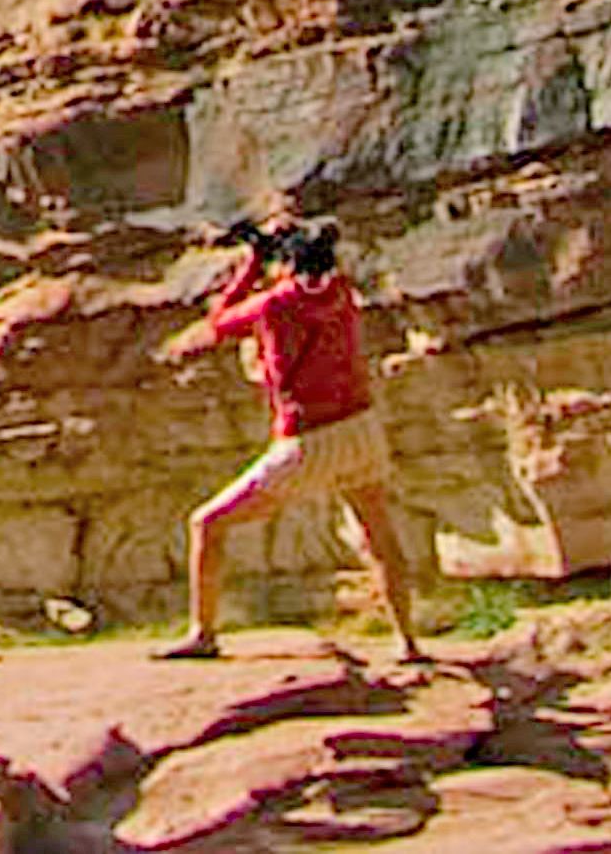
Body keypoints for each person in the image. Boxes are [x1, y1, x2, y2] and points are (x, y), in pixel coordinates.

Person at [164, 210, 425, 659]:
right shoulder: (341, 292)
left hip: (308, 438)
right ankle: (408, 642)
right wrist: (283, 246)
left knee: (207, 524)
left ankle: (203, 634)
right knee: (379, 535)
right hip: (361, 427)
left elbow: (220, 321)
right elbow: (316, 266)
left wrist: (251, 265)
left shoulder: (275, 304)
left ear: (285, 267)